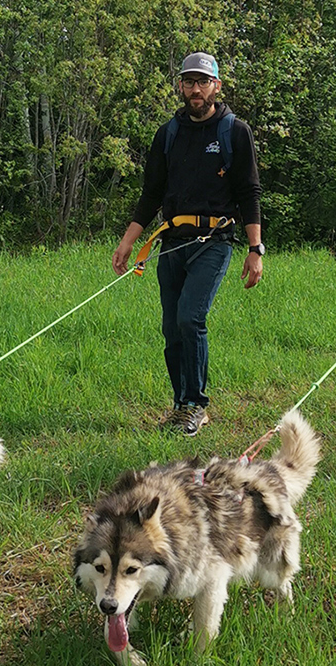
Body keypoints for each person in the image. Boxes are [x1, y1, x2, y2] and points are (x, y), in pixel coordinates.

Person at [113, 52, 264, 436]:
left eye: (203, 82)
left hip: (214, 241)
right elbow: (151, 194)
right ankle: (181, 403)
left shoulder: (234, 131)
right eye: (189, 82)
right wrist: (128, 242)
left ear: (216, 86)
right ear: (180, 86)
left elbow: (249, 192)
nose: (195, 89)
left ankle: (196, 404)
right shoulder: (169, 134)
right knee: (171, 326)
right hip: (172, 242)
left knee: (190, 317)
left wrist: (255, 249)